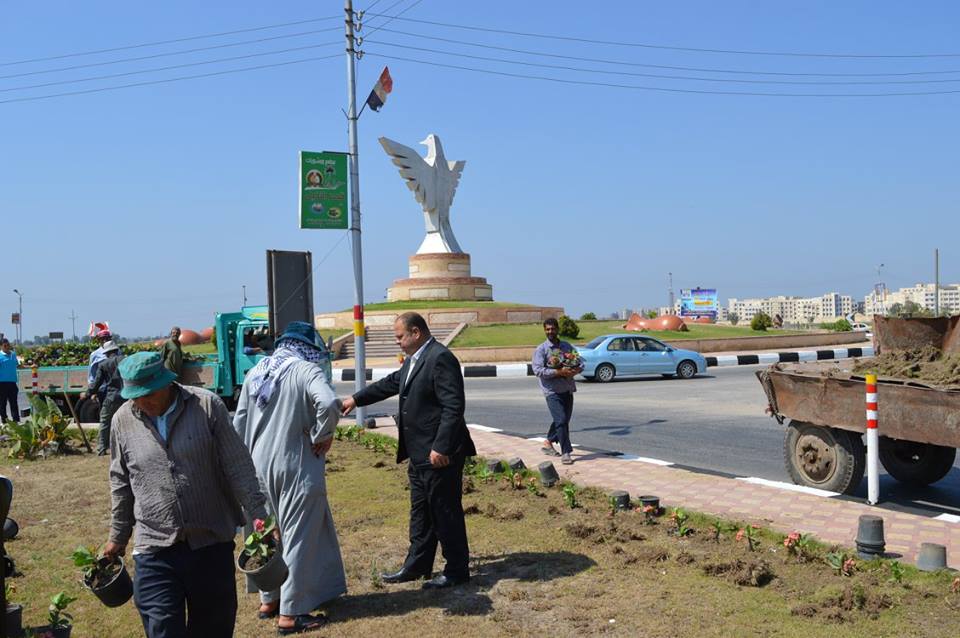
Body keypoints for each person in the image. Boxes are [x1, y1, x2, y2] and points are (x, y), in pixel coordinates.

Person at [104, 351, 269, 638]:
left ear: (167, 382)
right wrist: (118, 536)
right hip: (154, 548)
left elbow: (238, 465)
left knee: (213, 629)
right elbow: (120, 481)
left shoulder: (206, 406)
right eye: (136, 395)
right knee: (162, 628)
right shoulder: (122, 420)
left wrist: (260, 518)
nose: (143, 401)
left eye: (150, 393)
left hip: (210, 543)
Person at [340, 312, 475, 589]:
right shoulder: (415, 360)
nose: (398, 342)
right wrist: (356, 398)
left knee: (444, 511)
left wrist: (441, 446)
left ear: (416, 333)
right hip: (418, 452)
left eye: (400, 336)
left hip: (439, 454)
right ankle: (417, 566)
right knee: (421, 512)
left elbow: (453, 406)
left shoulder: (440, 358)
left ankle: (457, 570)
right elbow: (390, 383)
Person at [234, 321, 344, 634]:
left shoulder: (256, 372)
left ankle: (268, 600)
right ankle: (291, 613)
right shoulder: (305, 371)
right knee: (297, 536)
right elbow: (329, 402)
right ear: (306, 347)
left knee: (266, 533)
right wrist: (324, 434)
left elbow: (239, 423)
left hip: (256, 465)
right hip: (296, 462)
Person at [532, 317, 583, 465]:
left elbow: (580, 361)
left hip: (567, 389)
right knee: (561, 420)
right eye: (547, 329)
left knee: (563, 420)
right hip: (551, 391)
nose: (550, 331)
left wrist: (576, 369)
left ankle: (548, 442)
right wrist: (558, 372)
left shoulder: (567, 346)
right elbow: (538, 370)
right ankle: (566, 452)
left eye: (553, 329)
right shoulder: (541, 349)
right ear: (544, 331)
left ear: (557, 329)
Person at [81, 340, 123, 455]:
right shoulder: (125, 360)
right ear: (116, 350)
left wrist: (87, 393)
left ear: (106, 353)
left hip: (111, 397)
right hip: (126, 397)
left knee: (105, 421)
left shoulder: (103, 365)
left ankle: (102, 448)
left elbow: (96, 384)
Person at [87, 328, 113, 396]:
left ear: (110, 339)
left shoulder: (117, 351)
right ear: (99, 340)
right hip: (102, 388)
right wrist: (92, 390)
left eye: (107, 338)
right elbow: (92, 373)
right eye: (102, 339)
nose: (105, 340)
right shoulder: (95, 354)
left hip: (115, 387)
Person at [0, 339, 19, 424]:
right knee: (2, 403)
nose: (7, 347)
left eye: (8, 345)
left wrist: (30, 366)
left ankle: (16, 421)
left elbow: (18, 365)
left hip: (12, 383)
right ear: (1, 346)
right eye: (5, 346)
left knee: (14, 402)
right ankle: (5, 421)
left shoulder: (13, 355)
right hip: (2, 383)